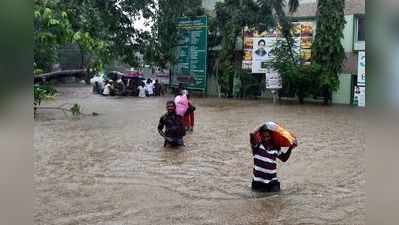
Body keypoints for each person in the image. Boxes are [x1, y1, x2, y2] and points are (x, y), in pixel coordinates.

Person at [249, 125, 297, 192]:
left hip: (273, 181)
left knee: (276, 197)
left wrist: (290, 148)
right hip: (258, 182)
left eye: (268, 136)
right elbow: (251, 134)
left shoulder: (276, 147)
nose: (266, 139)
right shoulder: (257, 146)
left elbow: (284, 158)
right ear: (260, 136)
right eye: (263, 137)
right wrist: (261, 126)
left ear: (271, 136)